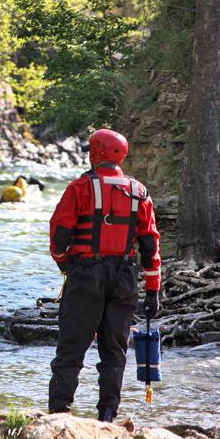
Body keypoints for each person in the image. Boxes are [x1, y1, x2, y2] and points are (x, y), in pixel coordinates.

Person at [47, 128, 161, 422]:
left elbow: (59, 234)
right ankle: (108, 415)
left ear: (95, 152)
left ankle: (60, 413)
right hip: (125, 277)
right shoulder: (139, 192)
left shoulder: (79, 188)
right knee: (114, 352)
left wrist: (67, 267)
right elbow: (150, 244)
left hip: (86, 274)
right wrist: (152, 290)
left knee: (71, 348)